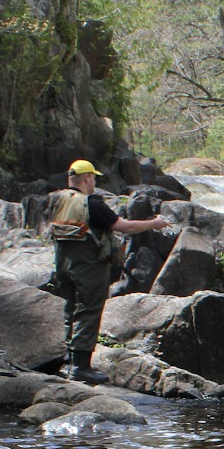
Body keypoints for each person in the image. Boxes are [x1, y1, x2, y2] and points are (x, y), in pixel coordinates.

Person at [47, 159, 169, 383]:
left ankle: (71, 360)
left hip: (63, 266)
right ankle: (81, 368)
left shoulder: (60, 200)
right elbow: (126, 227)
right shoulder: (92, 205)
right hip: (88, 267)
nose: (94, 181)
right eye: (93, 177)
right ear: (86, 178)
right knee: (89, 311)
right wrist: (154, 223)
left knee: (71, 310)